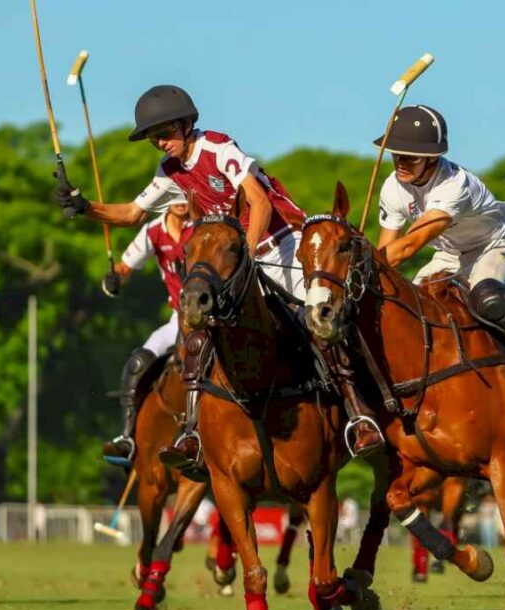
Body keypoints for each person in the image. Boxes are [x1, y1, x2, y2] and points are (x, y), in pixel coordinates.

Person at [53, 84, 363, 468]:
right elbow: (132, 214)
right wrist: (84, 206)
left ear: (186, 124)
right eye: (154, 139)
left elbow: (259, 200)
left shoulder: (217, 148)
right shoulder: (168, 172)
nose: (161, 143)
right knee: (201, 337)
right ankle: (194, 435)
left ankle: (360, 415)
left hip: (281, 246)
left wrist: (246, 254)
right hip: (236, 264)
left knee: (322, 321)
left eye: (165, 134)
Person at [373, 105, 505, 413]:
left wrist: (362, 262)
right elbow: (387, 253)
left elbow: (407, 247)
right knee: (408, 308)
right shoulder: (393, 187)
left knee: (487, 297)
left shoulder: (454, 186)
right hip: (449, 253)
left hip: (494, 245)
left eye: (410, 157)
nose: (400, 164)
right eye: (396, 155)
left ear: (432, 158)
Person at [99, 198, 193, 465]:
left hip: (210, 317)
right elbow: (126, 267)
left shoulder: (201, 226)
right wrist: (114, 277)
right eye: (173, 194)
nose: (180, 201)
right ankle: (127, 437)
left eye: (184, 194)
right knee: (138, 361)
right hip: (179, 317)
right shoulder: (153, 231)